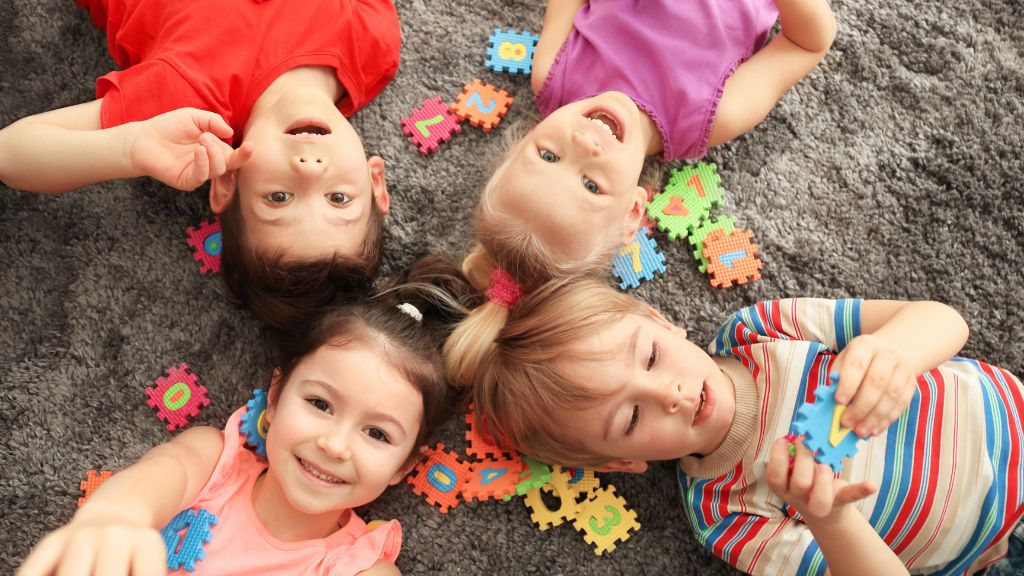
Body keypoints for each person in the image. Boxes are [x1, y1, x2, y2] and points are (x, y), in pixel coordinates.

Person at [444, 277, 1024, 575]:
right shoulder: (725, 518)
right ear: (620, 464)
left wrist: (893, 351)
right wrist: (829, 518)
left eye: (649, 358)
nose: (668, 393)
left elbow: (944, 320)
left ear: (661, 321)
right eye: (632, 418)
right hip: (996, 548)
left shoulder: (762, 331)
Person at [17, 257, 479, 576]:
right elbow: (145, 488)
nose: (334, 445)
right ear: (275, 397)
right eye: (320, 404)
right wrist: (112, 520)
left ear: (404, 465)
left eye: (377, 433)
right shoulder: (212, 462)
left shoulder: (358, 566)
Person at [0, 0, 401, 331]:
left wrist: (129, 147)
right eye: (338, 198)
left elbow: (11, 152)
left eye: (279, 198)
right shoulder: (373, 44)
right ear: (375, 181)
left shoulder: (186, 107)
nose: (310, 168)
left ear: (228, 183)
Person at [460, 0, 837, 300]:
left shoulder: (553, 73)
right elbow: (806, 43)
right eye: (591, 185)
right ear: (633, 213)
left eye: (548, 156)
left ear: (520, 142)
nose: (584, 143)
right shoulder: (711, 117)